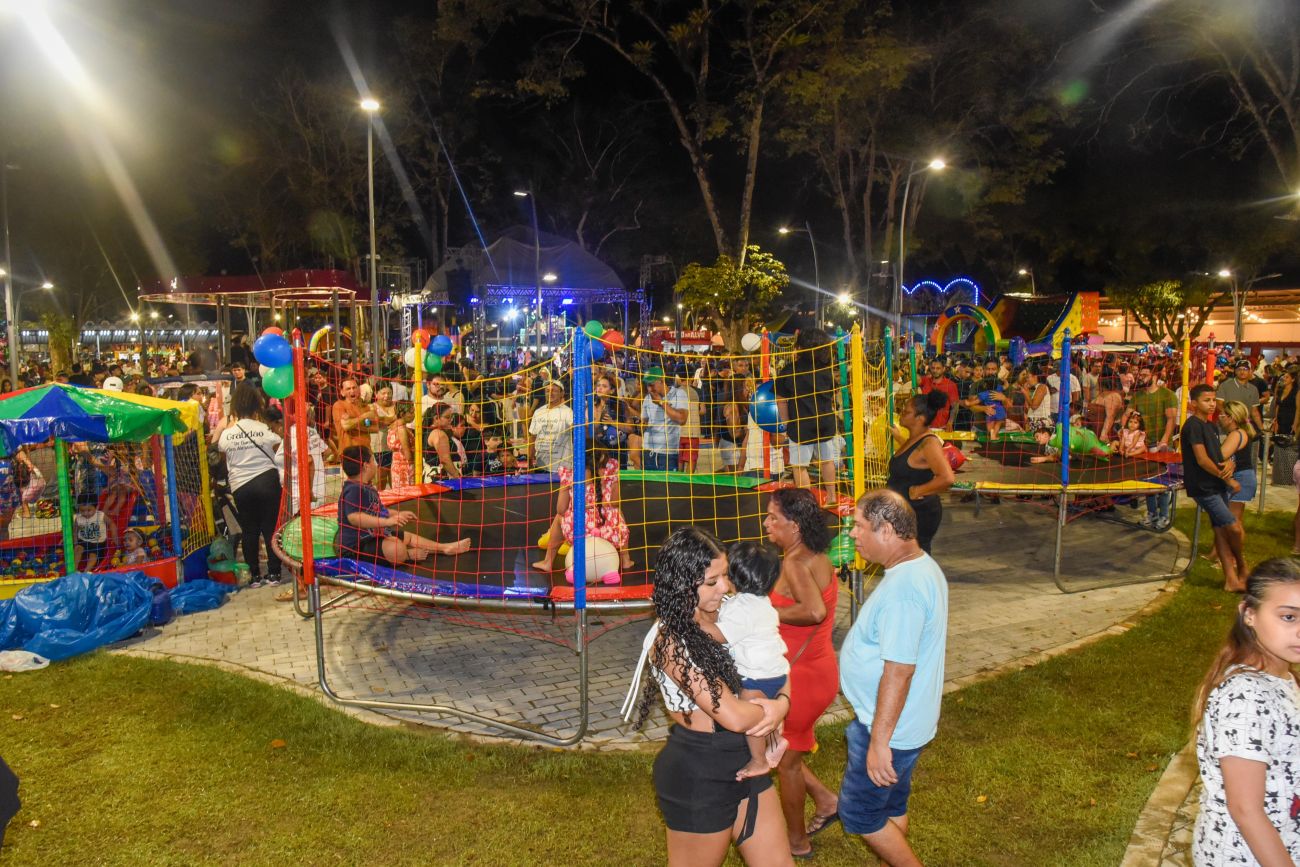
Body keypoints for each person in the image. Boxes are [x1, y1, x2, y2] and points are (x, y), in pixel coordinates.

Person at [627, 526, 793, 867]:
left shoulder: (734, 609)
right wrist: (773, 711)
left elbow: (778, 666)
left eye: (726, 576)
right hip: (701, 771)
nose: (726, 588)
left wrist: (782, 703)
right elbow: (732, 715)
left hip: (747, 761)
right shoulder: (668, 641)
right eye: (712, 582)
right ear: (684, 584)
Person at [840, 489, 949, 867]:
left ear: (886, 530)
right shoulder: (919, 566)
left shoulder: (905, 589)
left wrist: (879, 742)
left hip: (889, 730)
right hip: (904, 725)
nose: (852, 533)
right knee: (891, 804)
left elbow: (899, 672)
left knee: (861, 814)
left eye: (859, 526)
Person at [1191, 558, 1300, 865]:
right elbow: (1245, 809)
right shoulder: (1246, 696)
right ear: (1249, 614)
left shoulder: (1281, 676)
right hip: (1249, 856)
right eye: (1289, 617)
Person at [763, 488, 841, 859]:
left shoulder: (795, 564)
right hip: (817, 670)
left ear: (794, 526)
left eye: (773, 518)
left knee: (787, 763)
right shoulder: (815, 555)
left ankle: (797, 842)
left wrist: (765, 613)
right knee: (781, 749)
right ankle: (826, 800)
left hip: (803, 679)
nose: (766, 523)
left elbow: (813, 612)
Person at [718, 541, 791, 781]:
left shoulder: (739, 606)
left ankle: (759, 760)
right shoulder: (763, 603)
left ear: (732, 576)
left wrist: (696, 625)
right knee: (765, 717)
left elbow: (721, 635)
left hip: (755, 679)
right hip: (777, 675)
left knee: (752, 721)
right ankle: (776, 740)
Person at [337, 445, 470, 564]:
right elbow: (354, 517)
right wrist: (387, 522)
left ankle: (445, 548)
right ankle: (407, 555)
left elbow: (377, 510)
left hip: (373, 536)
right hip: (355, 547)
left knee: (407, 537)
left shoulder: (366, 487)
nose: (376, 464)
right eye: (373, 460)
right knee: (396, 547)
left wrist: (397, 514)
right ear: (366, 466)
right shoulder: (353, 489)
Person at [532, 438, 632, 575]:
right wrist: (614, 483)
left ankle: (548, 561)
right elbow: (615, 502)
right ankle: (626, 559)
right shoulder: (610, 471)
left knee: (558, 518)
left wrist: (565, 488)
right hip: (609, 533)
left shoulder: (571, 475)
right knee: (616, 511)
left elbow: (561, 509)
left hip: (579, 532)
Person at [217, 385, 284, 587]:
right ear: (257, 405)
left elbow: (223, 457)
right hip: (267, 481)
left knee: (249, 530)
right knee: (271, 528)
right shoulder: (263, 429)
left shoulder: (228, 434)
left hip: (241, 486)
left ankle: (254, 575)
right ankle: (274, 573)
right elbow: (279, 448)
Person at [1182, 384, 1247, 592]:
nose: (1212, 404)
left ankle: (1231, 580)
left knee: (1220, 531)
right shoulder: (1193, 425)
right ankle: (1242, 567)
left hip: (1215, 485)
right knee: (1233, 527)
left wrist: (1230, 464)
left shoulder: (1210, 426)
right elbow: (1202, 460)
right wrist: (1228, 480)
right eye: (1206, 400)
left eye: (1213, 400)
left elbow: (1216, 455)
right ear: (1194, 403)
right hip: (1204, 487)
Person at [775, 329, 841, 504]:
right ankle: (832, 497)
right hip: (825, 422)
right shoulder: (826, 370)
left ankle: (807, 503)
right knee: (827, 461)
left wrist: (786, 423)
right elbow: (832, 394)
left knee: (799, 466)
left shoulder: (790, 370)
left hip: (801, 423)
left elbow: (781, 399)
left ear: (800, 347)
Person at [886, 392, 956, 554]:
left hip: (919, 513)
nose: (902, 413)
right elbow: (913, 456)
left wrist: (918, 490)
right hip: (906, 512)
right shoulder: (915, 439)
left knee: (915, 557)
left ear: (920, 418)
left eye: (907, 411)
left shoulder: (929, 443)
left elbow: (947, 478)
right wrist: (899, 438)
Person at [1131, 365, 1180, 531]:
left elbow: (1171, 419)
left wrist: (1164, 441)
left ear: (1154, 376)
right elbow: (1128, 414)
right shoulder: (1138, 395)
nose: (1141, 376)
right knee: (1148, 481)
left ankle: (1164, 515)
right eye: (1140, 374)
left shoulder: (1167, 394)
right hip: (1145, 445)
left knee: (1163, 484)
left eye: (1145, 374)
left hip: (1162, 445)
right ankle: (1152, 513)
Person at [1219, 399, 1258, 553]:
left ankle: (1234, 557)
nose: (1219, 417)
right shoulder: (1238, 432)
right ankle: (1217, 554)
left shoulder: (1236, 434)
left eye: (1222, 415)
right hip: (1242, 477)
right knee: (1228, 521)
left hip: (1241, 478)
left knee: (1234, 523)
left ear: (1231, 418)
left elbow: (1220, 456)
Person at [642, 368, 688, 471]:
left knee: (669, 482)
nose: (649, 389)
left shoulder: (679, 394)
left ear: (662, 380)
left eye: (652, 385)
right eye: (647, 385)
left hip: (668, 455)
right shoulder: (647, 398)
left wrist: (661, 403)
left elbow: (682, 419)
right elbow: (644, 422)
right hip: (648, 452)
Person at [528, 380, 573, 473]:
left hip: (561, 467)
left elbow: (577, 429)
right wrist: (529, 461)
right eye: (547, 391)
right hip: (541, 464)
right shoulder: (538, 412)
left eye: (554, 390)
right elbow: (532, 438)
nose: (550, 393)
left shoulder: (568, 412)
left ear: (562, 393)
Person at [332, 378, 378, 455]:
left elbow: (375, 428)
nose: (352, 391)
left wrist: (353, 423)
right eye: (348, 389)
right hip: (348, 453)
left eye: (354, 387)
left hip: (366, 452)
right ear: (342, 392)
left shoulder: (366, 407)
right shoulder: (339, 405)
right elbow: (346, 426)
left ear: (359, 389)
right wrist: (364, 417)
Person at [1218, 359, 1265, 433]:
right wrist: (1228, 419)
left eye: (1245, 369)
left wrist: (1262, 429)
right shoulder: (1225, 385)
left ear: (1250, 371)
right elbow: (1219, 404)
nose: (1242, 372)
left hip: (1245, 426)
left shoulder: (1253, 389)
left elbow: (1254, 412)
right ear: (1235, 371)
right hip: (1227, 426)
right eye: (1239, 369)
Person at [73, 497, 116, 571]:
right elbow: (75, 531)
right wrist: (75, 542)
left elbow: (111, 523)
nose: (85, 513)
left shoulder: (100, 515)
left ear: (97, 507)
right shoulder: (78, 518)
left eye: (89, 510)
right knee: (77, 549)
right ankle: (74, 569)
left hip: (97, 542)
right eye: (82, 511)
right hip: (83, 541)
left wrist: (114, 537)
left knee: (93, 555)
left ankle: (86, 571)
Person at [918, 357, 960, 430]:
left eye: (938, 368)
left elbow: (955, 406)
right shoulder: (925, 380)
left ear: (943, 369)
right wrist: (916, 360)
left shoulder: (950, 385)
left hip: (941, 427)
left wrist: (950, 422)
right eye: (933, 368)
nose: (935, 370)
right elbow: (914, 379)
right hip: (924, 426)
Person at [676, 365, 703, 474]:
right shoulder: (697, 392)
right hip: (693, 432)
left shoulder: (675, 393)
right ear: (692, 377)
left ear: (678, 377)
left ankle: (678, 480)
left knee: (679, 460)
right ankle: (689, 481)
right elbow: (703, 410)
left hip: (678, 432)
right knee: (692, 459)